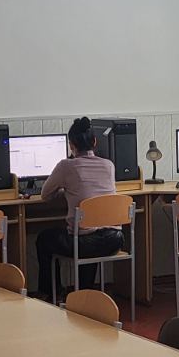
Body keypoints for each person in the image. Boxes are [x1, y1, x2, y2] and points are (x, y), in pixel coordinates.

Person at [35, 118, 121, 302]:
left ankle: (52, 293)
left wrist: (65, 190)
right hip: (114, 239)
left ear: (71, 145)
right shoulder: (109, 165)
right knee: (89, 233)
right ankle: (84, 294)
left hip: (85, 242)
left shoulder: (66, 166)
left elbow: (45, 195)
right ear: (95, 142)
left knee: (45, 239)